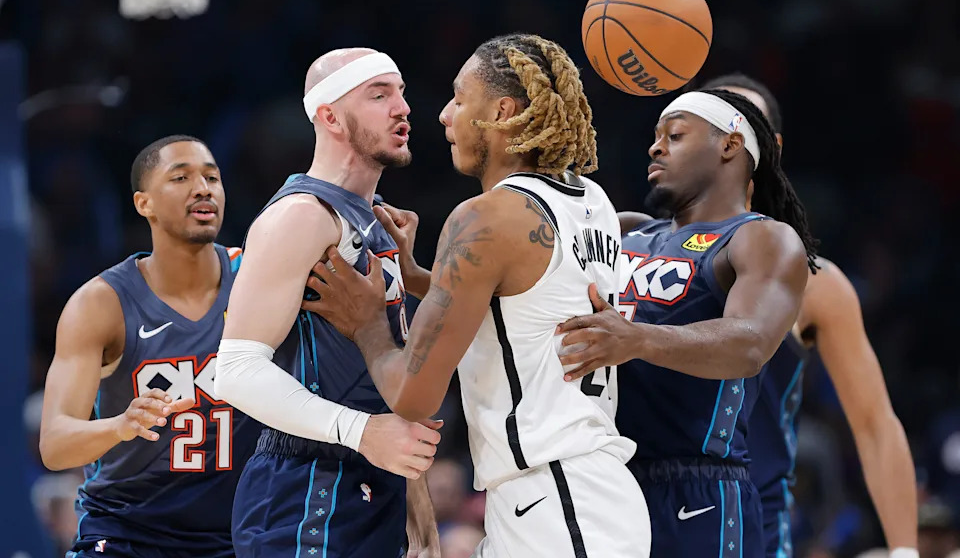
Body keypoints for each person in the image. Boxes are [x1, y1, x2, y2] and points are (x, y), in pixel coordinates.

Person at [302, 33, 651, 557]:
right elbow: (522, 304)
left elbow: (411, 396)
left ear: (503, 111)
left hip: (557, 503)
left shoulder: (485, 218)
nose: (444, 115)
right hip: (577, 495)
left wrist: (367, 323)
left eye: (460, 99)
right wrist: (419, 274)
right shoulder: (591, 200)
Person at [555, 88, 817, 557]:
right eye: (656, 138)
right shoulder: (626, 230)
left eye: (674, 135)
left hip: (699, 492)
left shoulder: (762, 239)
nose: (655, 148)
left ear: (730, 145)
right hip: (601, 479)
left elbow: (750, 345)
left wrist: (637, 339)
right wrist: (431, 282)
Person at [215, 48, 441, 558]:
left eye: (401, 92)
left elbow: (391, 394)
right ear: (329, 116)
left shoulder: (379, 220)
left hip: (375, 484)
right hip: (305, 491)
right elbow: (234, 370)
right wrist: (362, 432)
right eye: (379, 94)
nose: (402, 107)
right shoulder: (301, 216)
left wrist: (420, 517)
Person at [699, 73, 918, 558]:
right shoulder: (633, 253)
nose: (725, 141)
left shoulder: (815, 282)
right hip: (637, 524)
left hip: (753, 534)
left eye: (741, 127)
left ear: (770, 148)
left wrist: (904, 551)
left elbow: (875, 425)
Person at [39, 135, 261, 557]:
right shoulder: (100, 303)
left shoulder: (257, 279)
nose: (203, 188)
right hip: (128, 532)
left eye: (212, 177)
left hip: (241, 533)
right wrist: (120, 425)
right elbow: (54, 443)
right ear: (145, 204)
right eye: (181, 177)